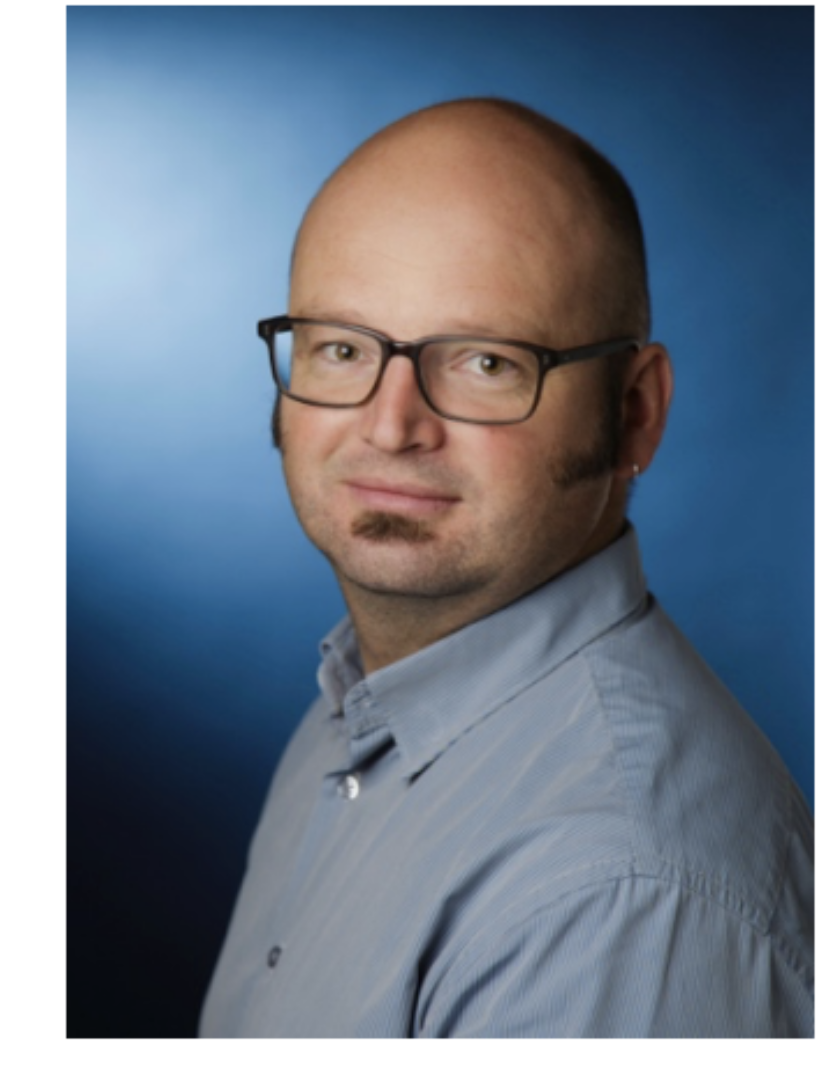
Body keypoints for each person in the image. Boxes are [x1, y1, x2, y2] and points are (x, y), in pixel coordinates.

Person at [200, 98, 814, 1038]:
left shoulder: (621, 899)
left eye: (486, 361)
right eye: (339, 347)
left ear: (636, 412)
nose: (391, 423)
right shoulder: (355, 715)